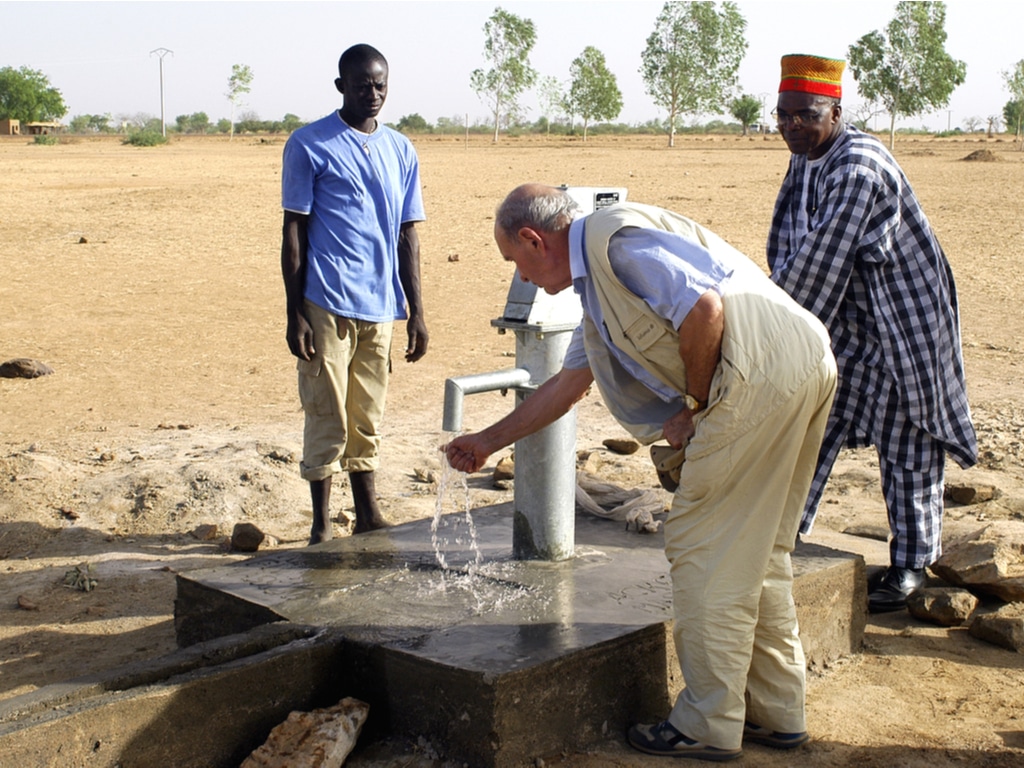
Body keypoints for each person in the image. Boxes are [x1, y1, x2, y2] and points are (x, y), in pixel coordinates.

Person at [445, 184, 837, 761]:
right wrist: (486, 441)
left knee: (702, 548)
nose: (521, 278)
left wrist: (693, 408)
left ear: (534, 239)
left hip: (754, 381)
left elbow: (704, 310)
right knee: (759, 551)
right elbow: (564, 386)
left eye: (515, 262)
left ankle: (707, 723)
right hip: (801, 363)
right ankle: (777, 712)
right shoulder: (600, 289)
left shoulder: (612, 243)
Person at [767, 54, 978, 612]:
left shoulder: (857, 166)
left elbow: (817, 265)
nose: (791, 126)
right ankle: (776, 541)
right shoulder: (809, 155)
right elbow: (792, 244)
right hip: (846, 322)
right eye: (782, 115)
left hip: (898, 328)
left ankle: (912, 564)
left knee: (905, 445)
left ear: (835, 110)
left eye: (804, 115)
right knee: (806, 431)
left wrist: (754, 322)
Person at [281, 44, 427, 545]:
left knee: (368, 413)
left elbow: (408, 234)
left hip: (381, 306)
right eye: (363, 85)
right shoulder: (309, 144)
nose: (373, 94)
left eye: (381, 85)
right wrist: (294, 311)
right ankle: (321, 524)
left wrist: (416, 312)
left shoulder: (401, 149)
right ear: (341, 86)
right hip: (325, 301)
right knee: (327, 410)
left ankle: (367, 513)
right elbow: (293, 232)